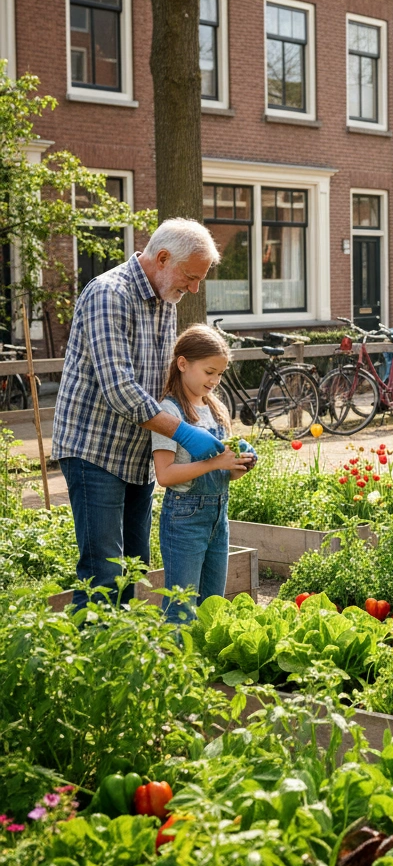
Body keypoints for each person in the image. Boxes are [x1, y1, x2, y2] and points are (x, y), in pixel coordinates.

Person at [53, 218, 226, 610]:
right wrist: (184, 432)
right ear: (163, 258)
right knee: (103, 572)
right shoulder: (108, 295)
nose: (194, 288)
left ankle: (122, 653)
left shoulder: (166, 299)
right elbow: (120, 390)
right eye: (191, 276)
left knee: (135, 566)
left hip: (137, 453)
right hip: (93, 449)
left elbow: (169, 376)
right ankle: (91, 663)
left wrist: (209, 420)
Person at [152, 325, 254, 622]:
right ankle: (177, 665)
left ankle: (205, 667)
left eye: (220, 374)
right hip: (184, 517)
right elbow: (165, 475)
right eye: (209, 372)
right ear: (183, 364)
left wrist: (240, 464)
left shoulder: (215, 407)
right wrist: (215, 463)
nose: (215, 380)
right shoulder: (168, 412)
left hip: (218, 513)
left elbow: (225, 471)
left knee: (213, 606)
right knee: (180, 609)